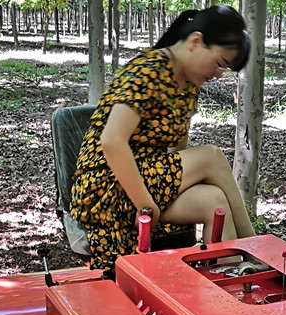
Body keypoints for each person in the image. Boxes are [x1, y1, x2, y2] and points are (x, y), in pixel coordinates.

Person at [70, 5, 256, 271]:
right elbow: (111, 142)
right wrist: (146, 205)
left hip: (146, 179)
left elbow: (176, 155)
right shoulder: (149, 70)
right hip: (105, 183)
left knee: (214, 200)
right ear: (195, 41)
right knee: (212, 157)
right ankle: (255, 248)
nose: (217, 74)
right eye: (219, 63)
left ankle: (233, 282)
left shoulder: (189, 85)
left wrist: (160, 197)